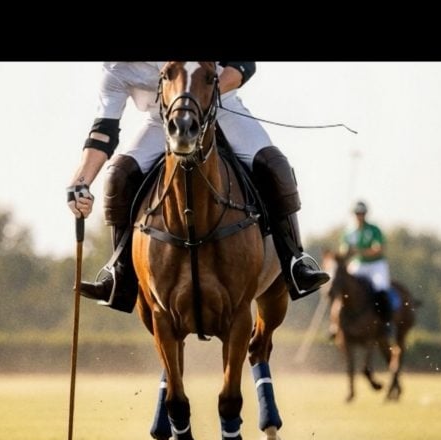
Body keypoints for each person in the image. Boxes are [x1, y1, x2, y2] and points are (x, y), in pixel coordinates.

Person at [66, 61, 329, 313]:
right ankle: (119, 274)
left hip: (222, 109)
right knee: (118, 176)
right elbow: (103, 132)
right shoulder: (115, 68)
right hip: (162, 123)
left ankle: (294, 260)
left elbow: (242, 65)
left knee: (273, 165)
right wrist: (81, 181)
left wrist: (203, 94)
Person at [340, 200, 394, 335]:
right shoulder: (349, 232)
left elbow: (378, 249)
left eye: (362, 213)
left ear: (365, 214)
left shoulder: (374, 230)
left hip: (376, 264)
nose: (359, 216)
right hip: (359, 264)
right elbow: (343, 251)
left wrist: (359, 251)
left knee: (380, 286)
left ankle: (385, 322)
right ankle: (337, 323)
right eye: (357, 213)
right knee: (343, 286)